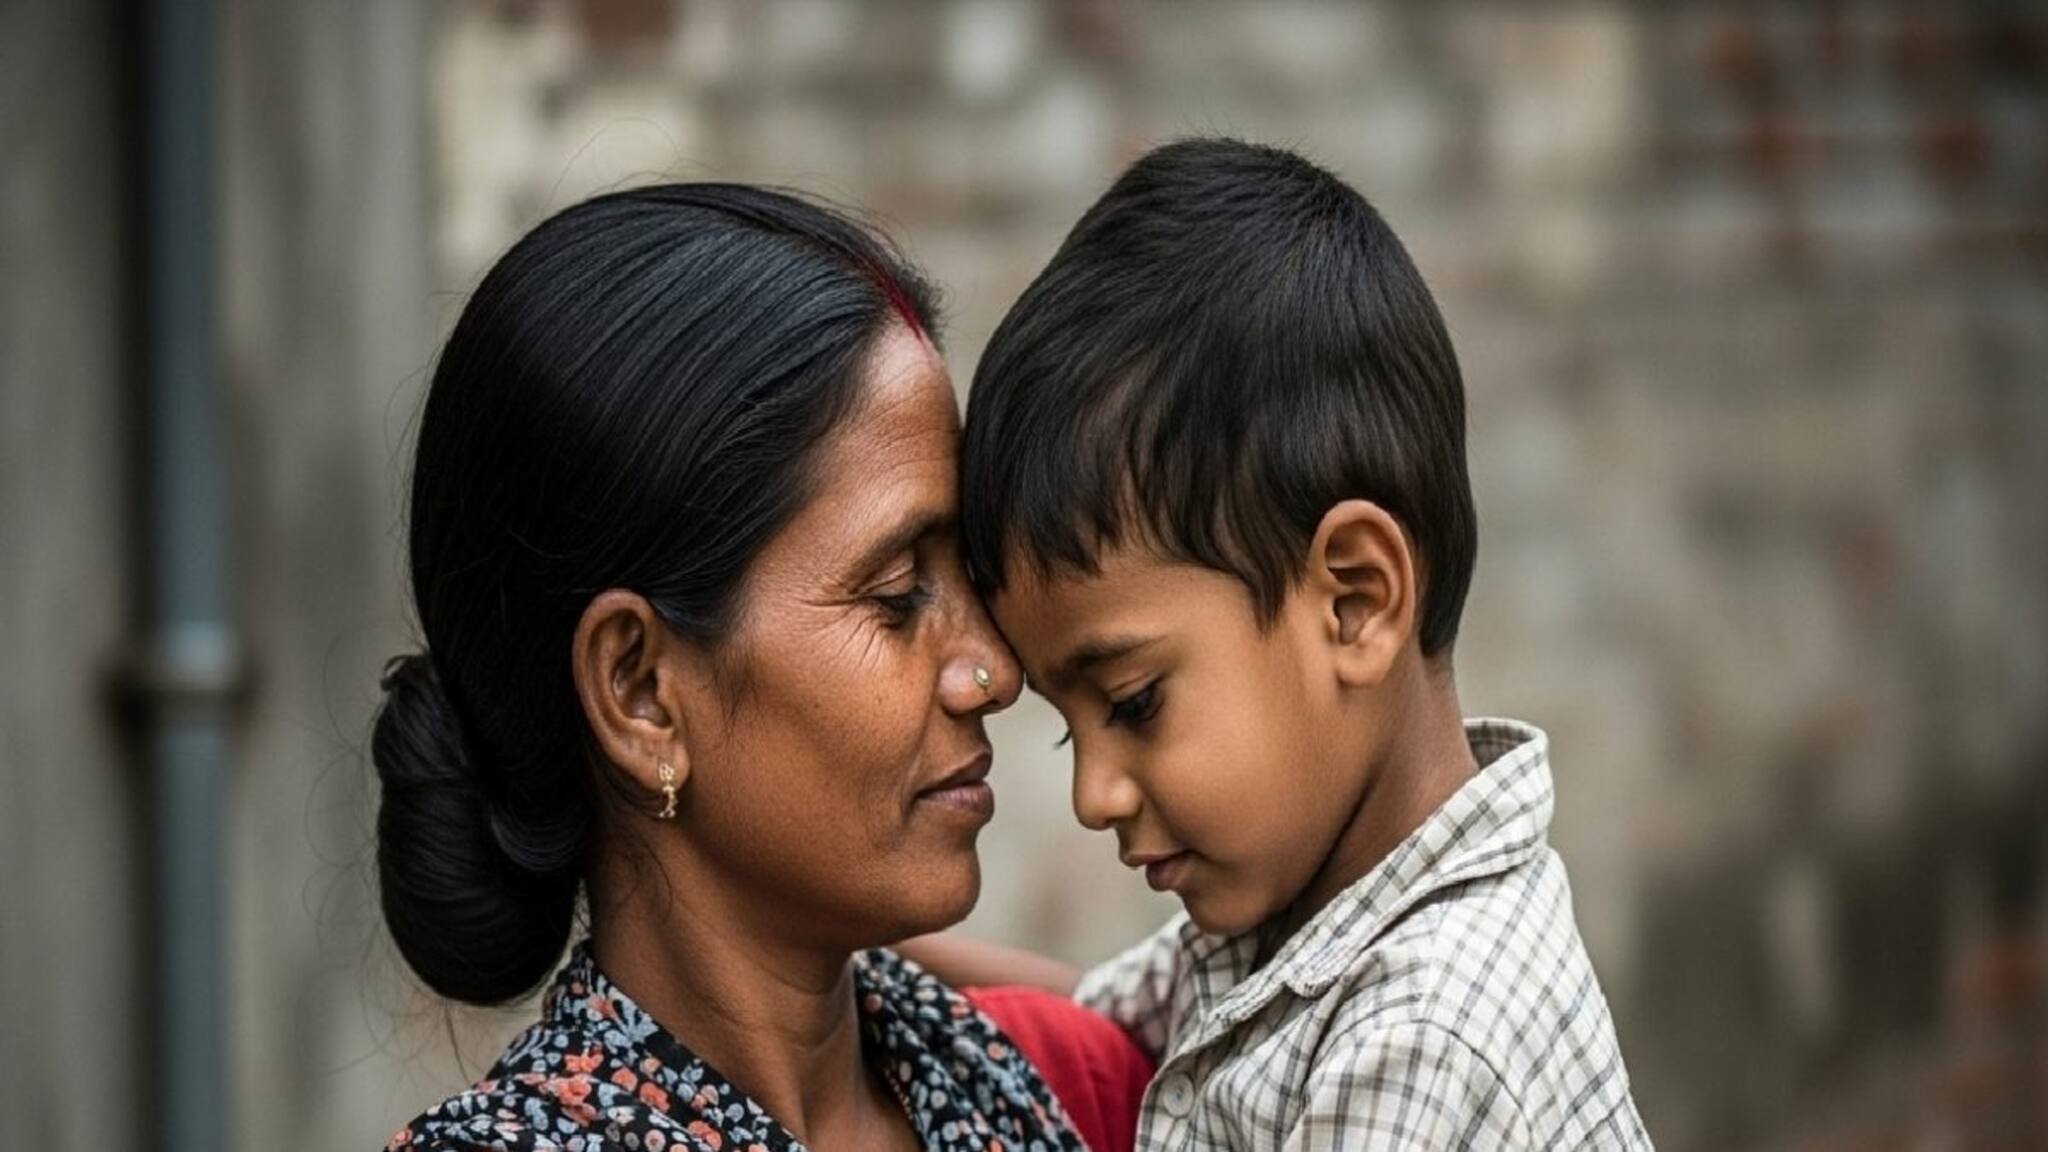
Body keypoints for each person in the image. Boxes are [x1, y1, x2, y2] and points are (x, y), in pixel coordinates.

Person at [912, 139, 1655, 1149]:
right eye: (1067, 730)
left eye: (1132, 702)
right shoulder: (1307, 911)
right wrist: (837, 949)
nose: (1095, 796)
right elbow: (1093, 1017)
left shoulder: (1420, 1038)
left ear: (1353, 602)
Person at [373, 184, 1147, 1152]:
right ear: (640, 692)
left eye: (971, 577)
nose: (991, 670)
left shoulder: (1042, 1081)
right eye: (900, 591)